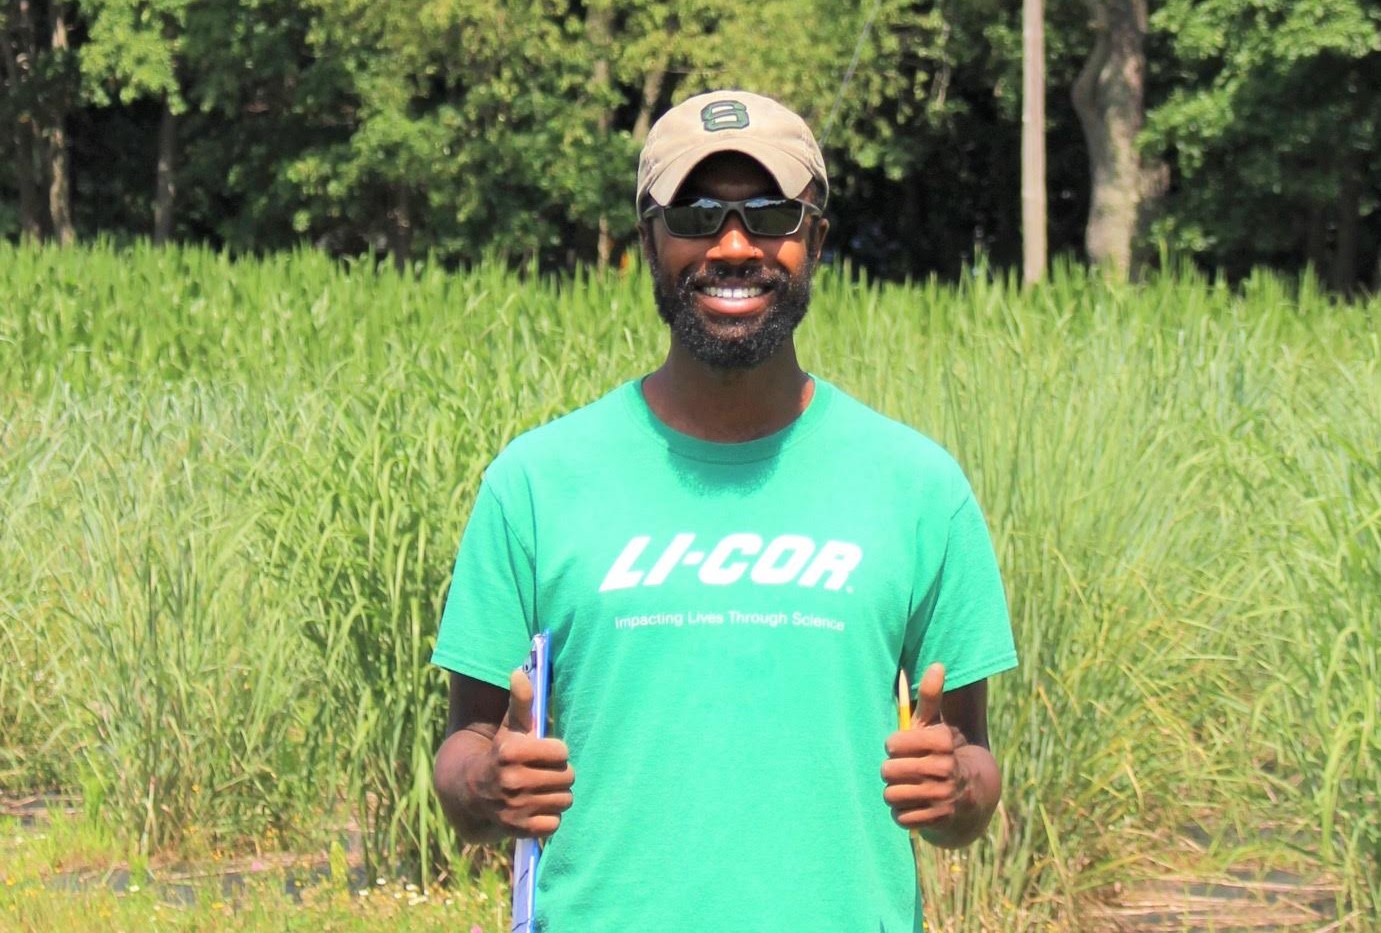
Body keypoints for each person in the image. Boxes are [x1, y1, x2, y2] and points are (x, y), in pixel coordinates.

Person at [431, 89, 1018, 933]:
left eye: (770, 213)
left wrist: (955, 787)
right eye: (697, 215)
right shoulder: (535, 482)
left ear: (814, 236)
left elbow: (971, 780)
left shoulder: (918, 487)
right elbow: (464, 751)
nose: (734, 245)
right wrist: (486, 783)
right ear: (650, 240)